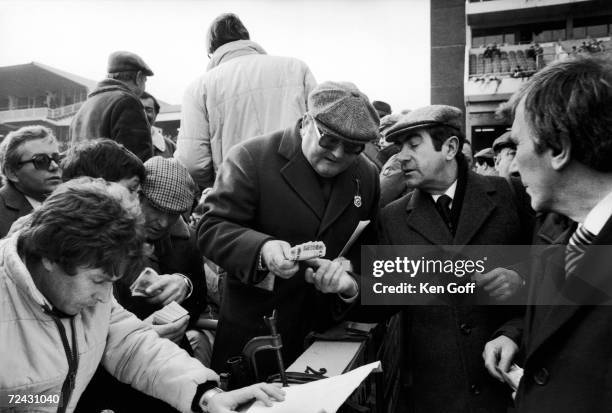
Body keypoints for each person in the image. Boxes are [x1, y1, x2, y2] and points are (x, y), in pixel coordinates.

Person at [0, 177, 284, 413]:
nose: (102, 297)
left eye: (109, 283)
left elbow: (132, 344)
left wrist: (207, 395)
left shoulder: (84, 278)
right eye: (98, 280)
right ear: (50, 257)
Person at [199, 81, 380, 376]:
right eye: (328, 140)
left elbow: (369, 248)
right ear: (307, 121)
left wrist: (348, 279)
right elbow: (211, 227)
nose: (337, 154)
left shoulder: (367, 175)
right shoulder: (251, 158)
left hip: (327, 337)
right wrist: (261, 249)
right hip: (258, 334)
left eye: (352, 148)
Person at [377, 105, 531, 413]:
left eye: (413, 145)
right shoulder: (392, 218)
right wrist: (349, 286)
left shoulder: (512, 196)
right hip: (436, 395)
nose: (401, 156)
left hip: (509, 388)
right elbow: (384, 294)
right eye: (399, 147)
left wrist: (521, 280)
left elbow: (564, 277)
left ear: (449, 147)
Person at [483, 56, 612, 412]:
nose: (513, 160)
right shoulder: (557, 226)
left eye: (518, 143)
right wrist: (516, 336)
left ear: (557, 148)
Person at [175, 13, 317, 190]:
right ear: (246, 39)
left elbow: (192, 162)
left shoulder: (198, 88)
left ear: (212, 51)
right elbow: (319, 131)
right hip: (299, 186)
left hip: (237, 192)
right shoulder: (296, 68)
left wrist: (218, 188)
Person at [70, 51, 154, 161]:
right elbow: (137, 161)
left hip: (82, 178)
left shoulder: (84, 107)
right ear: (138, 77)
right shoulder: (127, 102)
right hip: (114, 178)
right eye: (145, 80)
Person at [0, 126, 61, 237]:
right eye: (41, 160)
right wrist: (6, 246)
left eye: (57, 158)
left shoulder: (70, 201)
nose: (54, 166)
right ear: (12, 172)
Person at [141, 91, 176, 158]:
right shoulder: (119, 143)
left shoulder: (170, 147)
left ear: (156, 114)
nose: (144, 114)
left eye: (148, 110)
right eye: (139, 109)